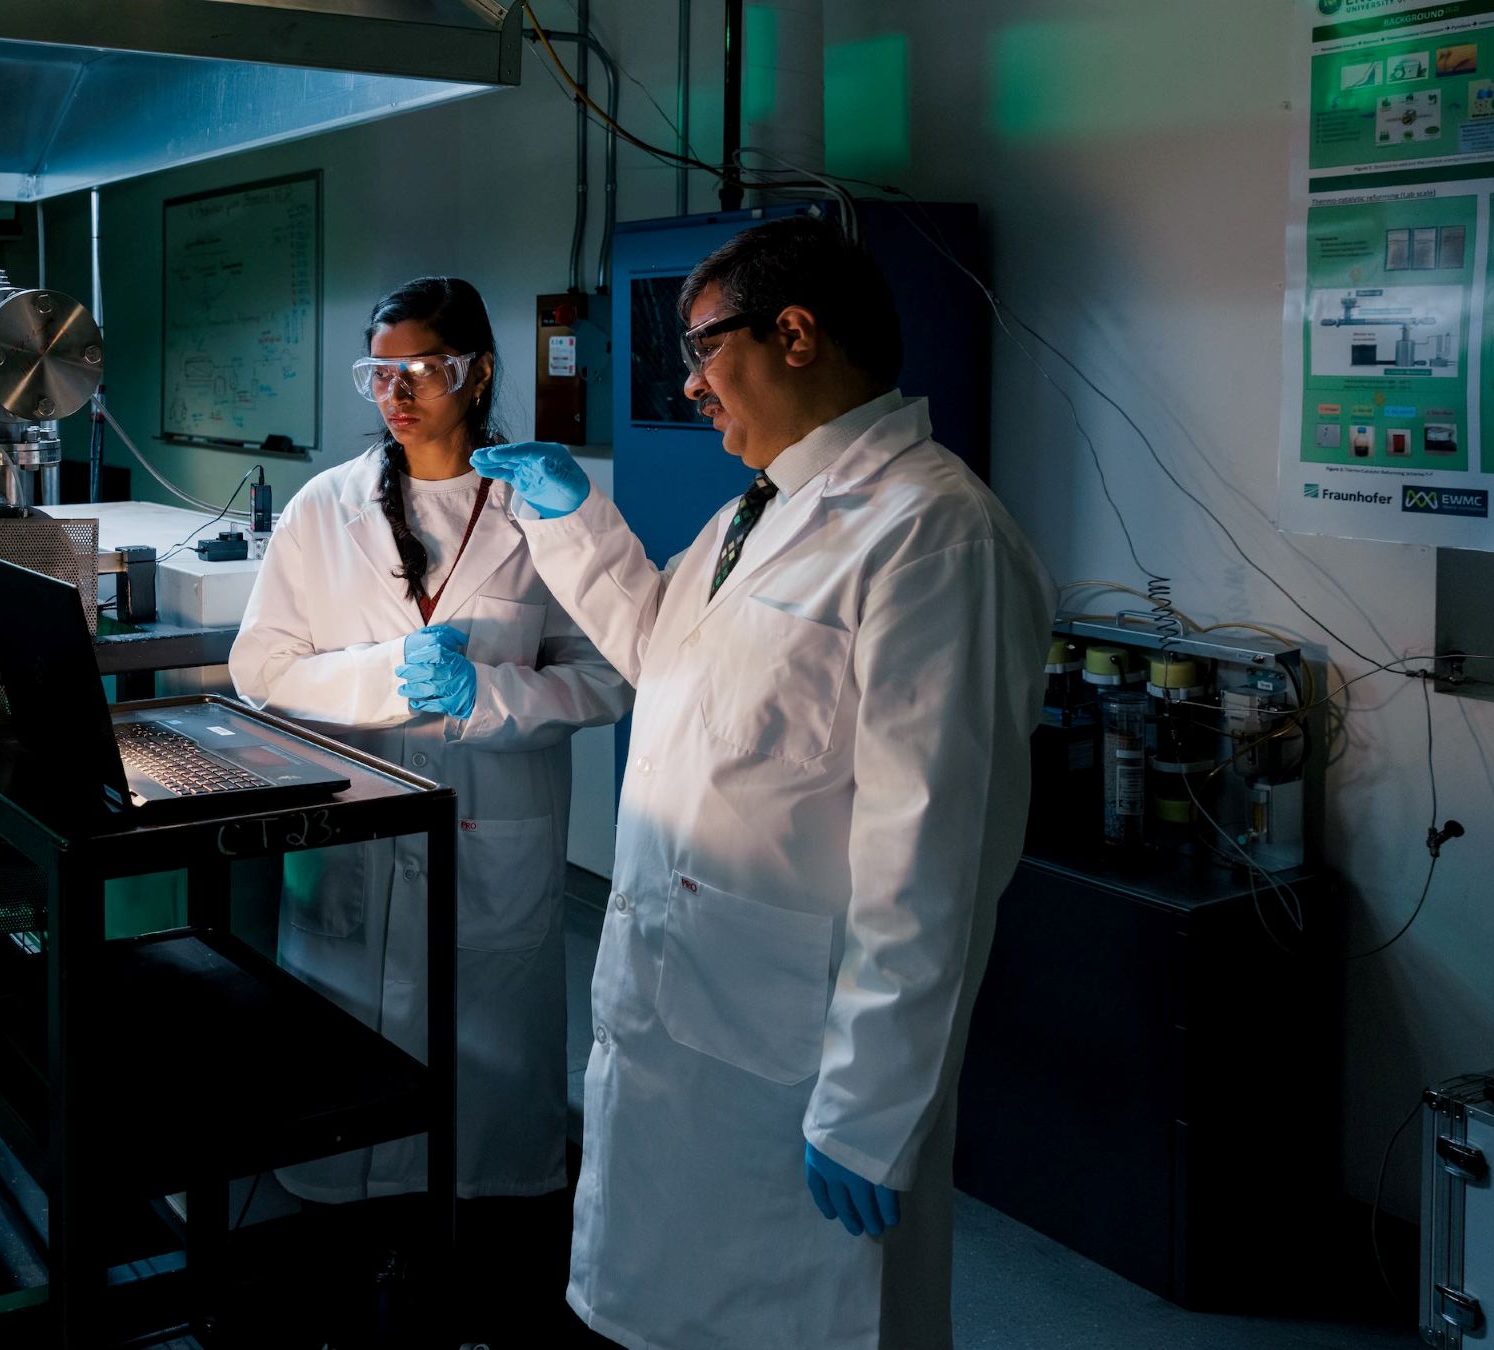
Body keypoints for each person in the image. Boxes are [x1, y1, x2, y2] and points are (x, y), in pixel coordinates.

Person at [471, 216, 1055, 1350]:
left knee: (802, 1320)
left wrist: (871, 1109)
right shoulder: (760, 511)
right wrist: (570, 517)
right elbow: (660, 652)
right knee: (664, 1305)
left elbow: (933, 851)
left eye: (701, 351)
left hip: (794, 1064)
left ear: (794, 334)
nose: (690, 387)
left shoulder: (931, 534)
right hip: (683, 1010)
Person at [229, 276, 629, 1333]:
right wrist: (383, 677)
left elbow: (613, 674)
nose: (396, 395)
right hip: (354, 832)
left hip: (491, 838)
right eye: (379, 373)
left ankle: (483, 1277)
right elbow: (259, 666)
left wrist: (491, 697)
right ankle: (353, 1271)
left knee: (488, 1106)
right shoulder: (327, 507)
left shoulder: (545, 513)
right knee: (345, 1099)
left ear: (478, 373)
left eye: (423, 370)